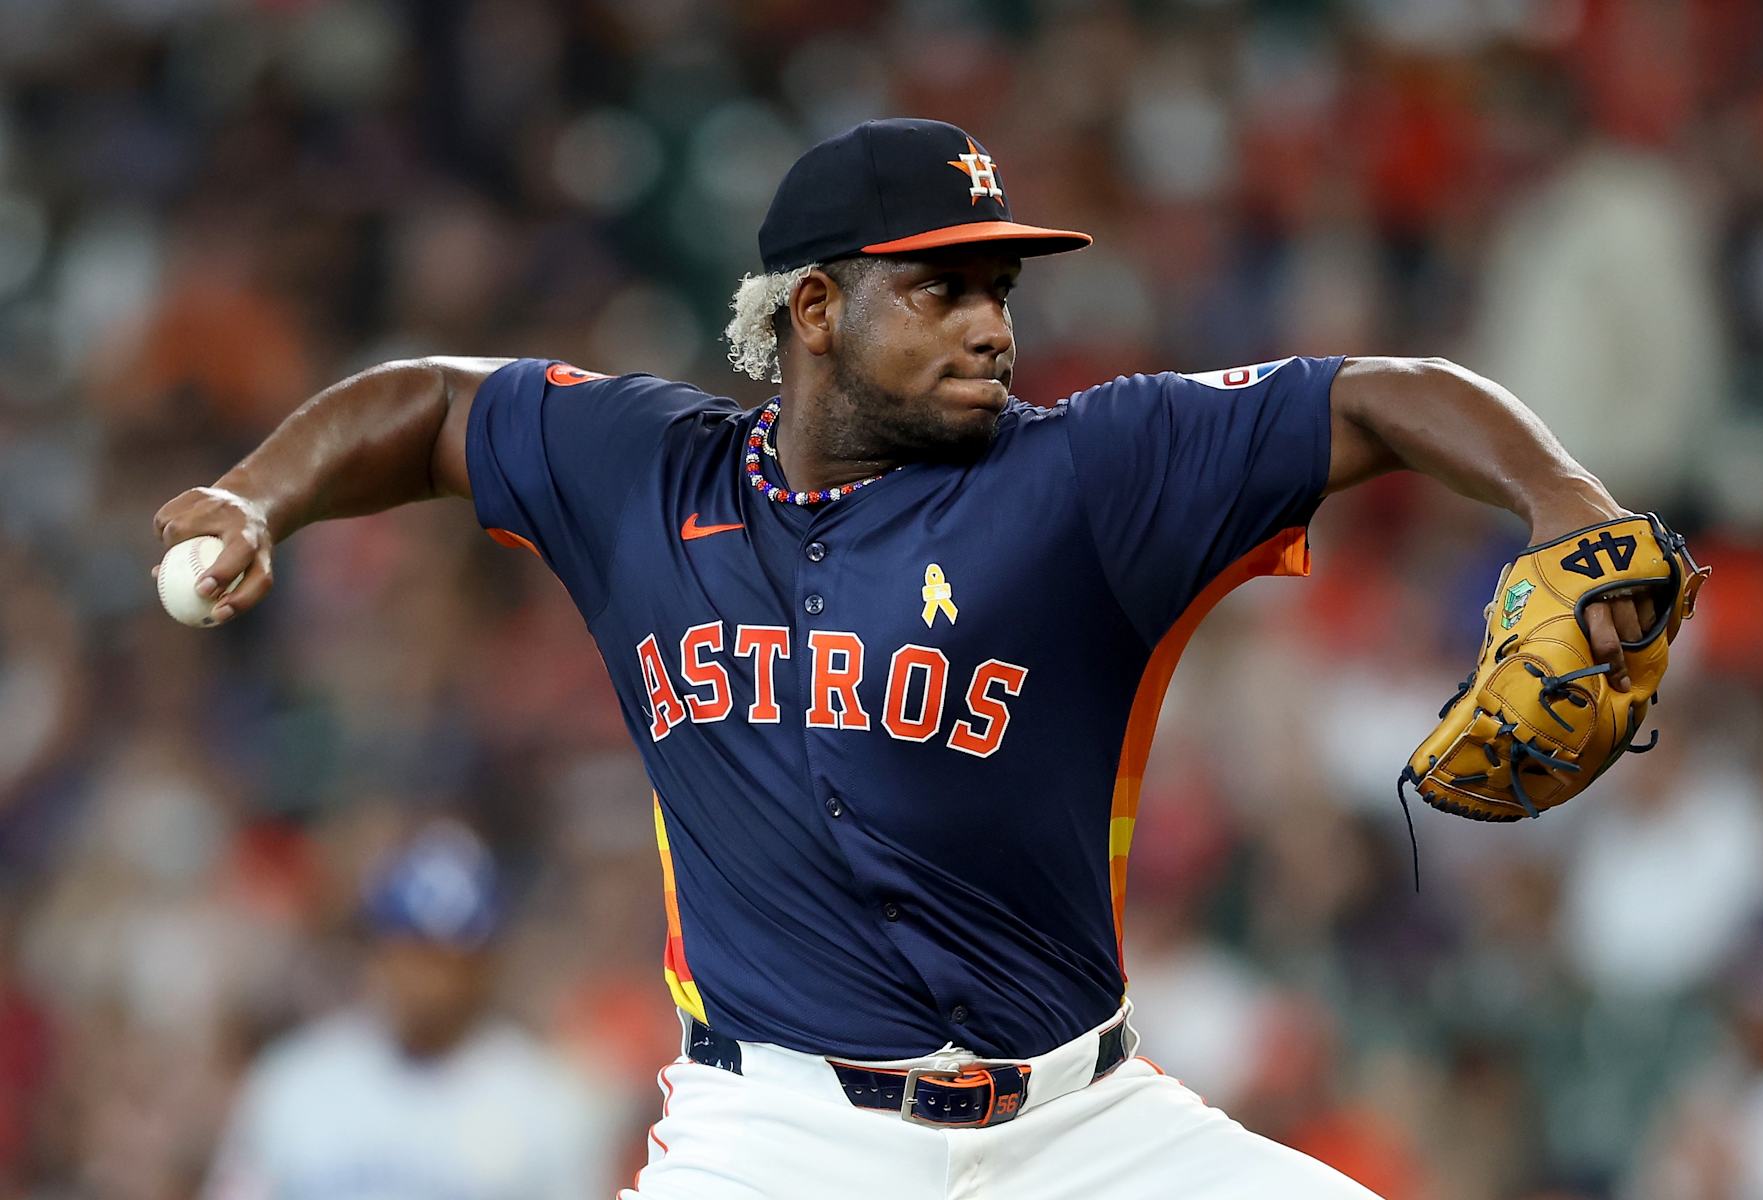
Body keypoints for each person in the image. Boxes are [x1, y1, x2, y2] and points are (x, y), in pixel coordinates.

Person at [157, 118, 1663, 1198]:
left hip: (1087, 1131)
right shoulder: (648, 474)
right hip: (778, 1141)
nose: (992, 324)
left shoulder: (1088, 474)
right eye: (939, 287)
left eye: (999, 288)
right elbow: (429, 402)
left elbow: (1380, 394)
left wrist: (1572, 509)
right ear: (814, 310)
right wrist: (252, 493)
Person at [202, 822, 610, 1199]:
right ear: (379, 954)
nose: (428, 979)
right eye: (411, 951)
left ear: (488, 966)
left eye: (449, 958)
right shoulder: (295, 1080)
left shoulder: (547, 1099)